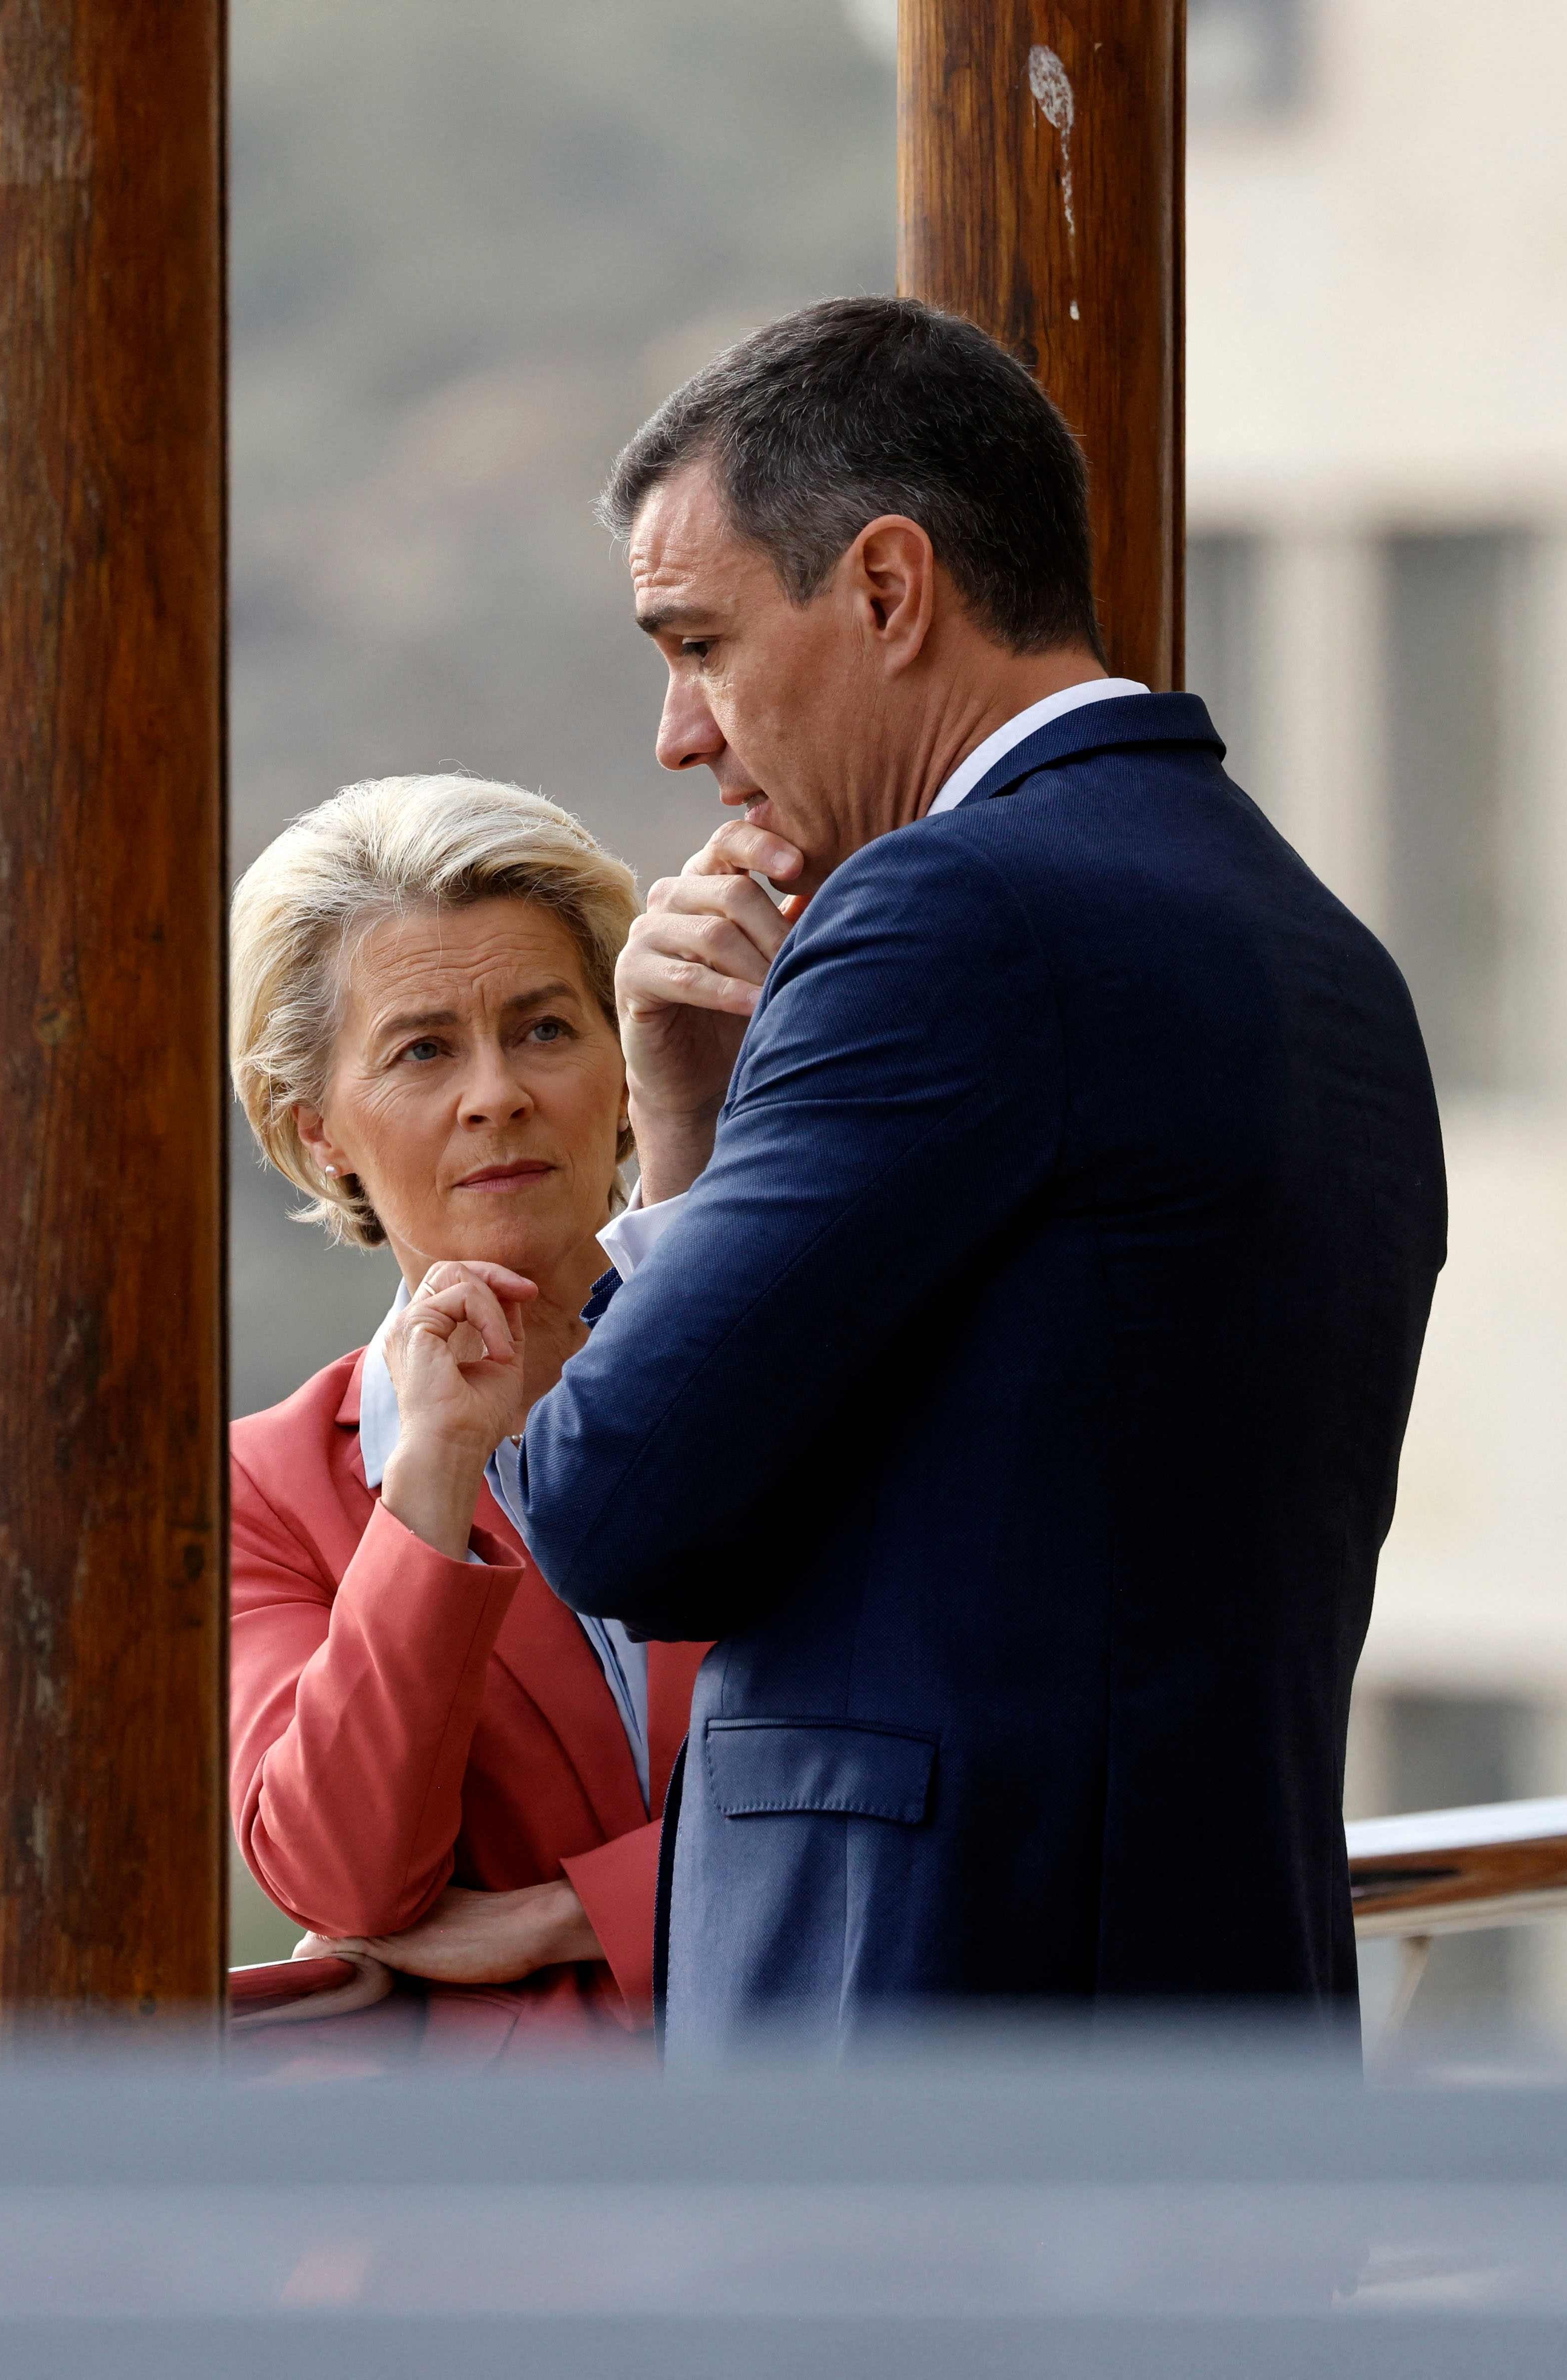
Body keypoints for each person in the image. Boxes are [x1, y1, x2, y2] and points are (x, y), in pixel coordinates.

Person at [448, 298, 1447, 2054]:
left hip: (926, 2069)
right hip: (1223, 2031)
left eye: (698, 643)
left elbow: (618, 1515)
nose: (681, 733)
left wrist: (674, 1152)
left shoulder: (944, 918)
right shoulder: (1319, 947)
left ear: (889, 590)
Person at [223, 773, 706, 2061]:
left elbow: (936, 1777)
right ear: (314, 1129)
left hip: (869, 2129)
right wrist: (428, 1476)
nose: (495, 1094)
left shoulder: (786, 1362)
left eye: (546, 1029)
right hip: (508, 2221)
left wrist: (564, 1917)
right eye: (424, 1049)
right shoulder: (262, 1491)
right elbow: (346, 1879)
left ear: (618, 1066)